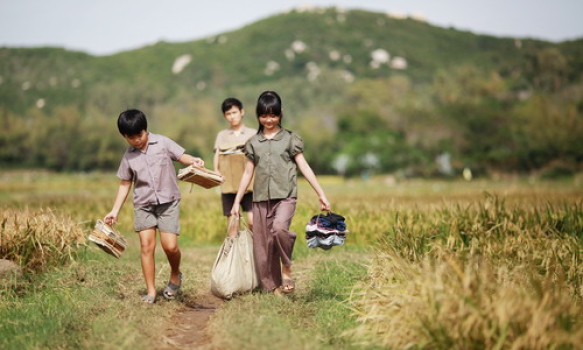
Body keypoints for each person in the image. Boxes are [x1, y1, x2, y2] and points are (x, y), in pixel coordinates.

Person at [230, 91, 331, 296]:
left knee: (279, 229)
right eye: (264, 115)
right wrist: (236, 202)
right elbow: (248, 173)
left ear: (280, 114)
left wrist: (321, 193)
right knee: (263, 246)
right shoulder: (253, 143)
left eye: (273, 115)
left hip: (285, 196)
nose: (269, 120)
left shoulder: (290, 139)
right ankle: (273, 288)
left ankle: (286, 267)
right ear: (258, 115)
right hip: (260, 200)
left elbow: (304, 166)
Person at [104, 109, 205, 304]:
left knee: (170, 246)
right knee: (146, 247)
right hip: (143, 205)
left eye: (139, 135)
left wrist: (195, 161)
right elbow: (125, 184)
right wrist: (114, 210)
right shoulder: (128, 157)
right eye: (130, 137)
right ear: (124, 137)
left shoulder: (163, 143)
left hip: (168, 202)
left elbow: (183, 156)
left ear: (146, 129)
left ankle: (175, 274)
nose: (136, 141)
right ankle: (151, 291)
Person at [213, 98, 255, 230]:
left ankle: (256, 249)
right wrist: (216, 170)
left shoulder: (252, 133)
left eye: (234, 112)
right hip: (229, 184)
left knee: (252, 220)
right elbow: (217, 154)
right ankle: (233, 249)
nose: (232, 116)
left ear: (241, 112)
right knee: (232, 223)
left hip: (250, 185)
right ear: (225, 116)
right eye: (228, 114)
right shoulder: (222, 135)